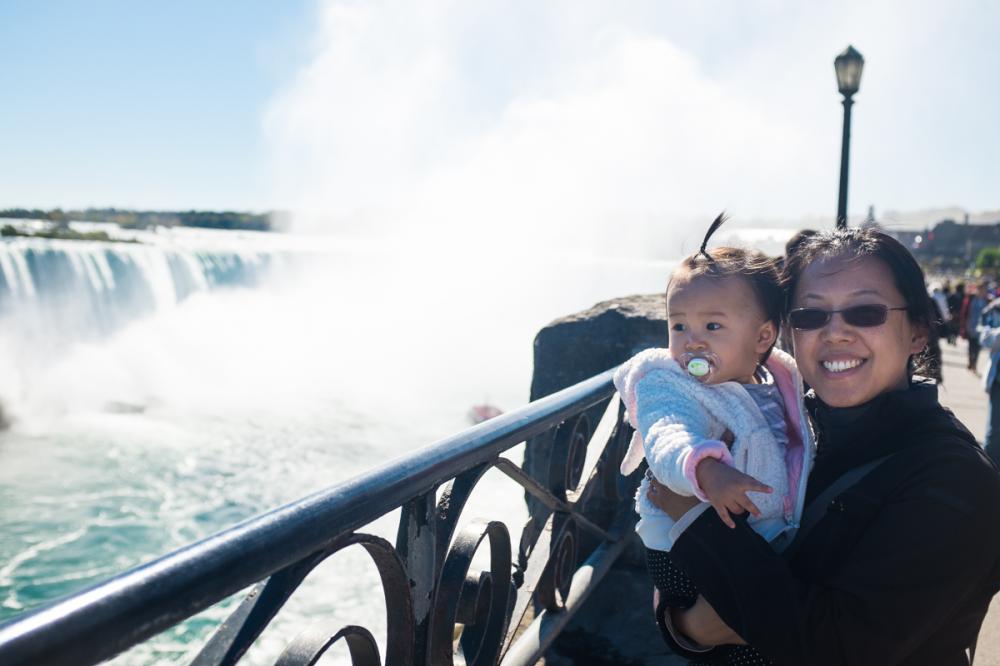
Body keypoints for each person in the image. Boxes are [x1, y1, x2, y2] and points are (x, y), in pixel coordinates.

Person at [647, 228, 1000, 665]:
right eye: (810, 316)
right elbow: (679, 598)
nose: (835, 332)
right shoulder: (781, 428)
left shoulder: (957, 481)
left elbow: (837, 649)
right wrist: (686, 628)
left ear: (918, 331)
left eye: (866, 312)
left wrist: (697, 525)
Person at [613, 214, 814, 666]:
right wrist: (704, 468)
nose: (692, 343)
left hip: (754, 539)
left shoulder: (777, 381)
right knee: (747, 646)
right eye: (679, 326)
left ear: (763, 336)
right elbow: (666, 432)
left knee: (764, 637)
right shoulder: (670, 385)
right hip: (683, 550)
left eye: (713, 327)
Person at [977, 297, 1000, 466]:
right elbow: (984, 339)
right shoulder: (993, 310)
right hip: (998, 382)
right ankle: (989, 469)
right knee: (995, 431)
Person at [960, 282, 990, 373]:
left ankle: (974, 364)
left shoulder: (987, 301)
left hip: (981, 328)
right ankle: (970, 361)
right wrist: (963, 325)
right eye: (980, 290)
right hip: (970, 326)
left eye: (983, 290)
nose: (982, 292)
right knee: (971, 346)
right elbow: (964, 312)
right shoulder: (971, 299)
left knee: (977, 348)